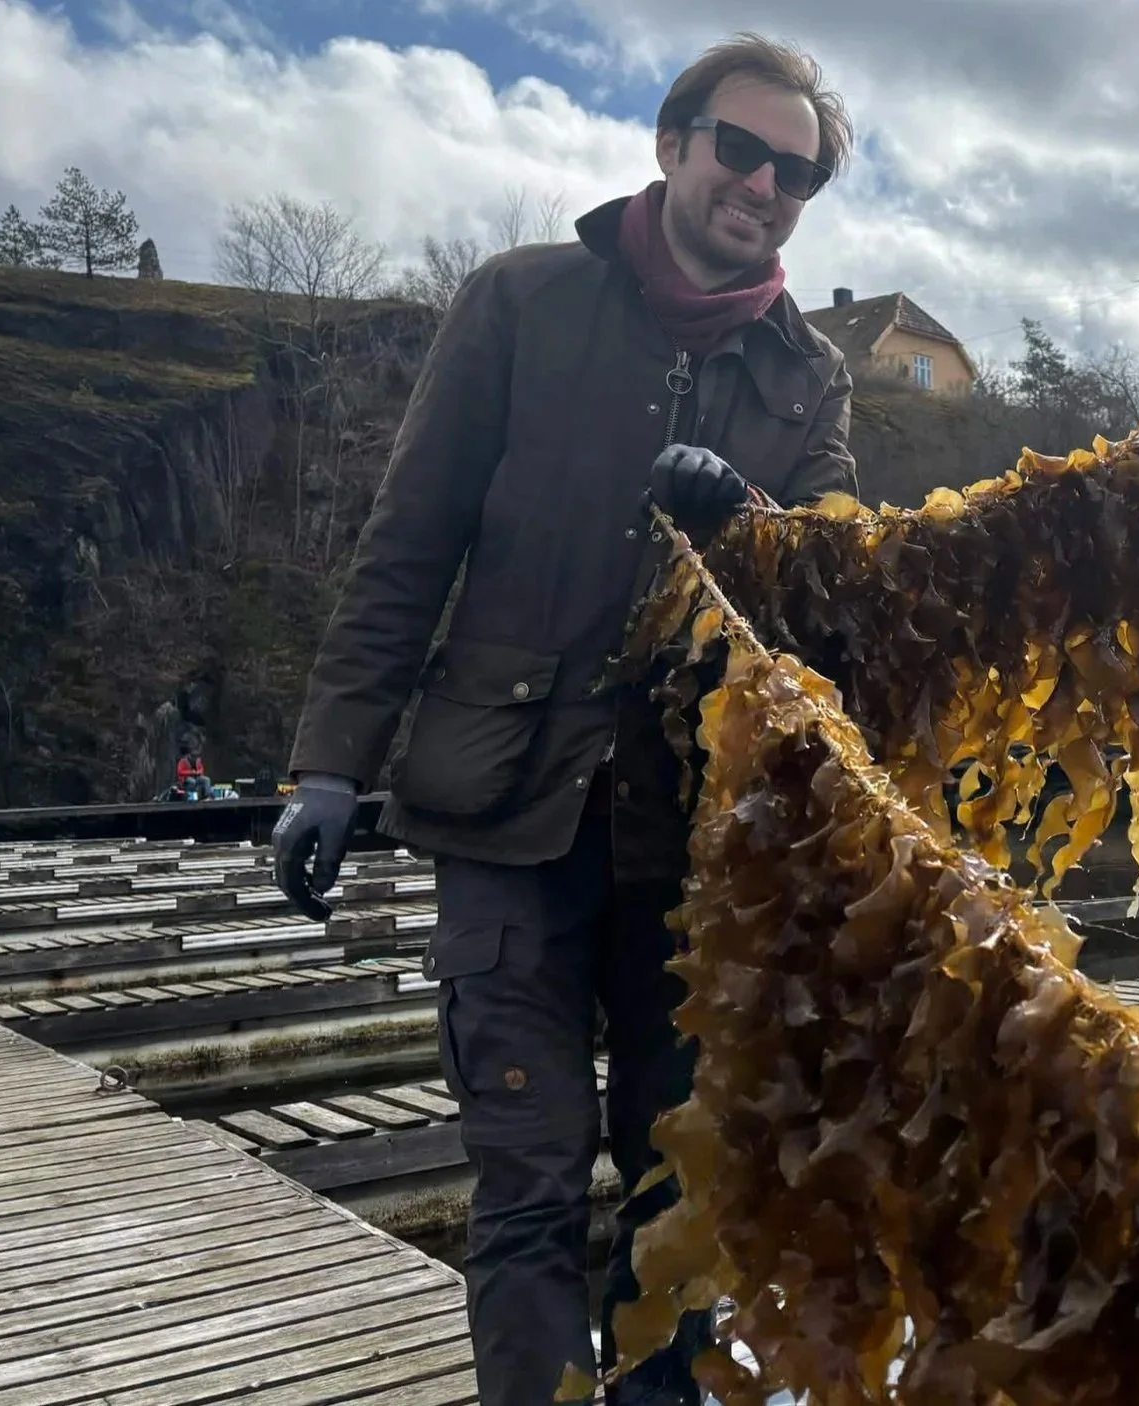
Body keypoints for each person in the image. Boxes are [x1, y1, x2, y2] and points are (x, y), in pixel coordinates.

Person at [267, 34, 859, 1406]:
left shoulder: (810, 375)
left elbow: (831, 583)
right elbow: (407, 542)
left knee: (680, 1194)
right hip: (503, 812)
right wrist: (328, 762)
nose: (764, 184)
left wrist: (754, 532)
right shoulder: (520, 301)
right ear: (673, 144)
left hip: (694, 853)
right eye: (741, 149)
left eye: (797, 172)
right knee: (527, 1185)